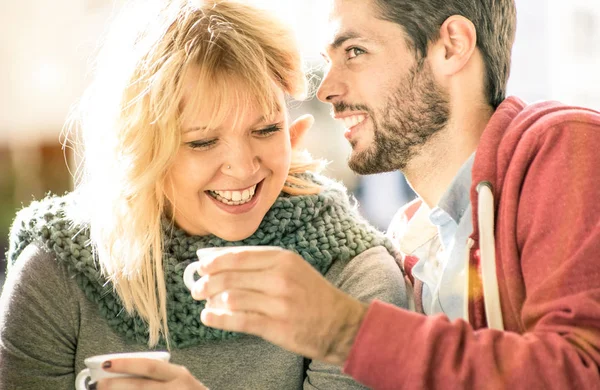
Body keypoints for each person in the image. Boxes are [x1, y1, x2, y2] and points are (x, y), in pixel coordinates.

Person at [0, 0, 408, 389]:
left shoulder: (354, 276)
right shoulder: (55, 270)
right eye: (202, 141)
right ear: (140, 149)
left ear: (291, 132)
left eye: (265, 130)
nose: (244, 166)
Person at [194, 0, 600, 388]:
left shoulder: (565, 147)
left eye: (354, 51)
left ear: (451, 46)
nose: (326, 90)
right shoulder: (409, 242)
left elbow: (583, 373)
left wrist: (343, 330)